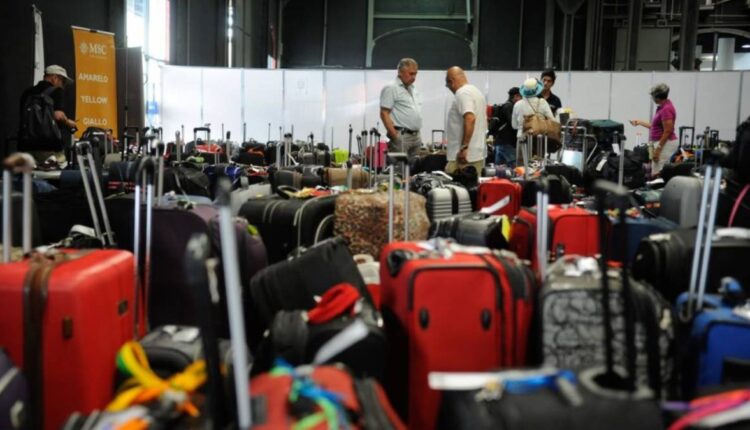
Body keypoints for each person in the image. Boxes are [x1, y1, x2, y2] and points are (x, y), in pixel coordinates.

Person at [18, 65, 76, 166]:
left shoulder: (27, 92)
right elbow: (58, 115)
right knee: (58, 174)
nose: (63, 85)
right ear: (55, 78)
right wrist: (68, 122)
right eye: (63, 82)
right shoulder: (57, 91)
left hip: (25, 145)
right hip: (49, 146)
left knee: (29, 177)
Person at [444, 66, 488, 175]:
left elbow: (470, 118)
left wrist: (464, 148)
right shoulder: (476, 91)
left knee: (455, 189)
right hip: (475, 153)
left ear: (451, 81)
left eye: (448, 85)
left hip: (463, 157)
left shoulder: (462, 93)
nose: (449, 88)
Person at [380, 58, 423, 163]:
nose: (414, 78)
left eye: (415, 74)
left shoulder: (412, 88)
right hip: (401, 136)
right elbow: (384, 113)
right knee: (398, 171)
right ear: (400, 72)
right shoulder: (391, 88)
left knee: (415, 170)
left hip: (416, 136)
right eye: (411, 74)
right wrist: (395, 136)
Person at [629, 83, 678, 176]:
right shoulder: (663, 107)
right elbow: (655, 127)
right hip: (661, 142)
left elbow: (668, 130)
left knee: (657, 173)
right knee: (655, 170)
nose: (652, 98)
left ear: (658, 97)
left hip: (666, 143)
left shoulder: (666, 109)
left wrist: (658, 150)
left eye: (653, 96)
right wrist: (639, 122)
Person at [511, 78, 555, 160]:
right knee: (538, 167)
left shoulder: (517, 104)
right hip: (539, 139)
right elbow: (552, 120)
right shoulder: (542, 102)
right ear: (537, 90)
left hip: (522, 138)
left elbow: (514, 126)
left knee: (521, 168)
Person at [492, 87, 521, 167]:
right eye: (520, 97)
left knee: (499, 170)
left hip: (499, 142)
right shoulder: (510, 107)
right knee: (515, 168)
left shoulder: (504, 105)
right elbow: (513, 124)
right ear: (516, 96)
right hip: (507, 143)